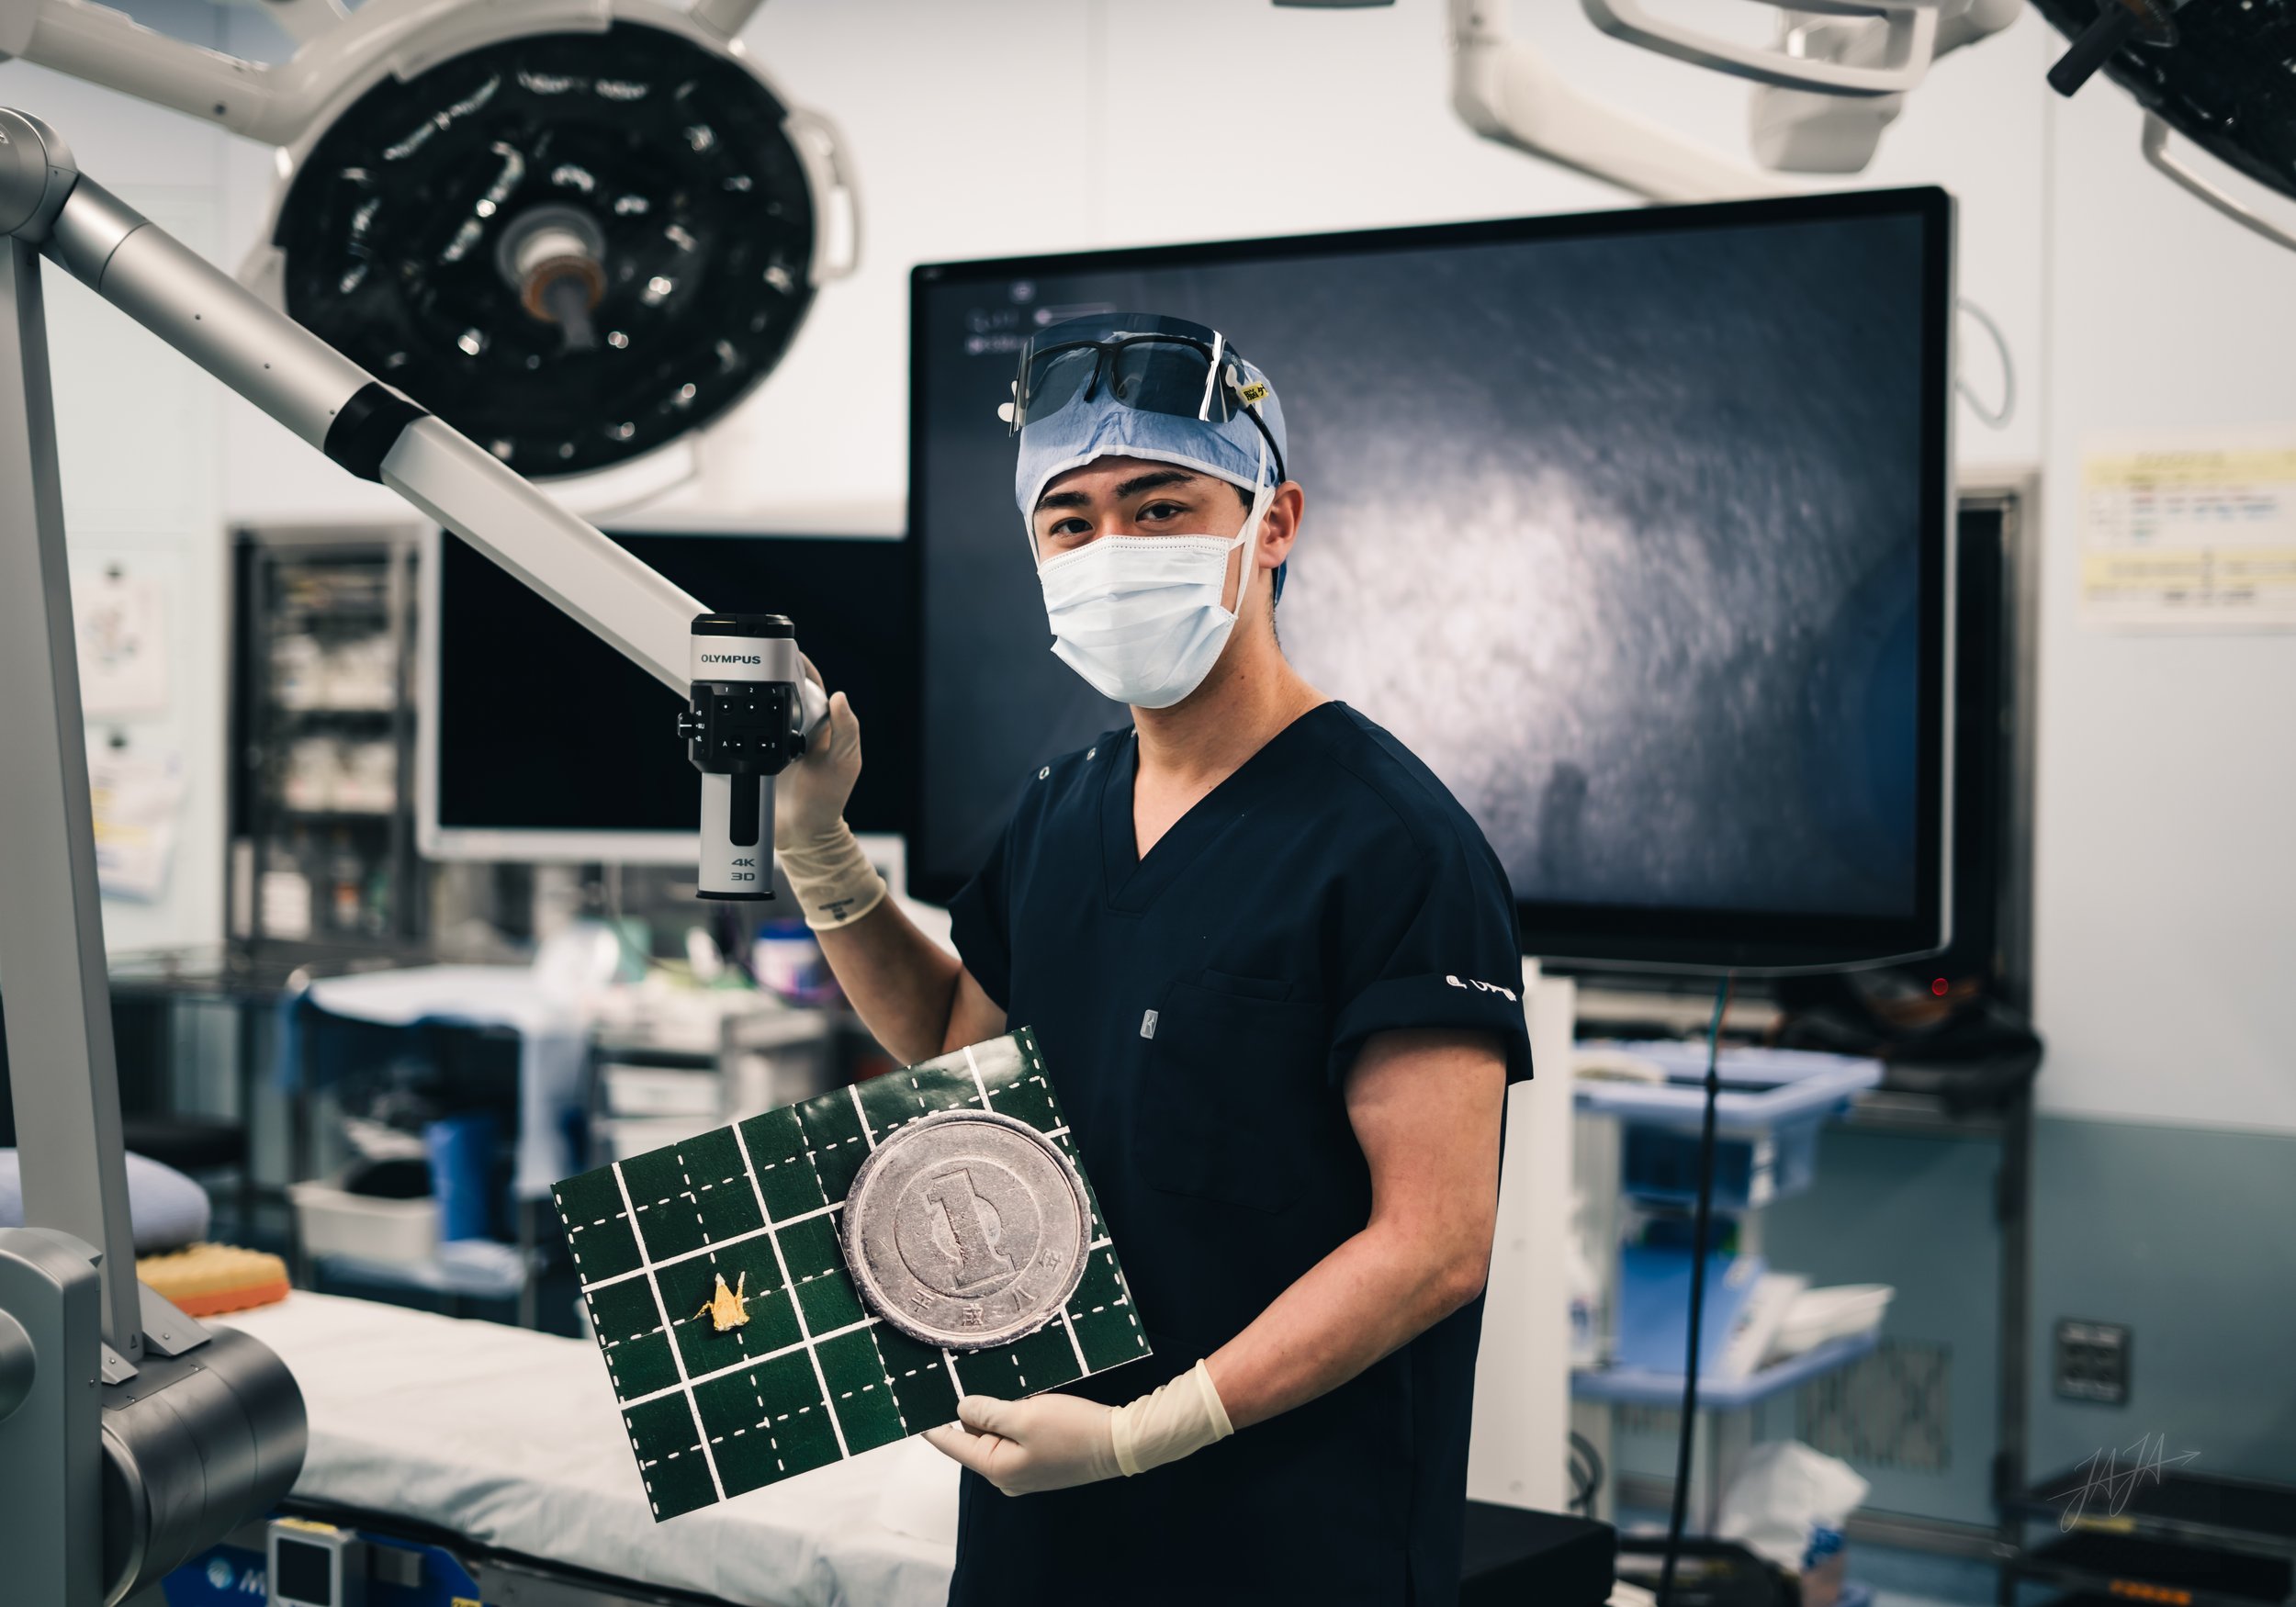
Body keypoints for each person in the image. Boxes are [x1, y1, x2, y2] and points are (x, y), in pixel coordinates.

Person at [772, 313, 1534, 1605]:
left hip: (1280, 1547)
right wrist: (818, 852)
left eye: (1162, 507)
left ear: (1273, 524)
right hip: (1038, 1524)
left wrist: (1143, 1434)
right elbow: (962, 1057)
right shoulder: (1062, 808)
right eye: (1070, 522)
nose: (1111, 549)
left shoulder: (1396, 845)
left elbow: (1435, 1242)